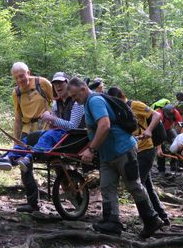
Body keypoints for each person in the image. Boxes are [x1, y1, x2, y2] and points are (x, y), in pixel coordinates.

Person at [68, 78, 163, 238]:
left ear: (83, 89)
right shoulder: (88, 102)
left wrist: (91, 150)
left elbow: (105, 125)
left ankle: (151, 219)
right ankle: (111, 222)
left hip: (123, 150)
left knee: (133, 185)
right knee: (107, 186)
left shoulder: (95, 101)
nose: (74, 100)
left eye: (75, 96)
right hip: (107, 155)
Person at [0, 72, 85, 203]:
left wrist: (52, 119)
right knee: (30, 138)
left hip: (72, 137)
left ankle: (28, 158)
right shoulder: (57, 103)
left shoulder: (76, 102)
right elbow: (21, 117)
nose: (58, 86)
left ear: (68, 83)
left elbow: (73, 126)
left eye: (61, 83)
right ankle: (8, 157)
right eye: (55, 84)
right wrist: (51, 118)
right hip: (58, 134)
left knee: (47, 136)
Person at [107, 87, 170, 226]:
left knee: (137, 185)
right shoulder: (117, 109)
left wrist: (148, 130)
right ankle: (162, 217)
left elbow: (156, 115)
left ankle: (150, 218)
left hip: (146, 150)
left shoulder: (135, 105)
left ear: (121, 97)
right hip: (133, 151)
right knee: (147, 186)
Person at [155, 103, 183, 174]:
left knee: (178, 143)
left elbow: (180, 125)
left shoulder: (175, 112)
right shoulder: (159, 115)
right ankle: (161, 169)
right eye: (169, 116)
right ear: (164, 112)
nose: (170, 117)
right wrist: (159, 147)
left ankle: (174, 165)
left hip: (169, 129)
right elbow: (156, 132)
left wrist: (180, 137)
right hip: (157, 131)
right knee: (162, 149)